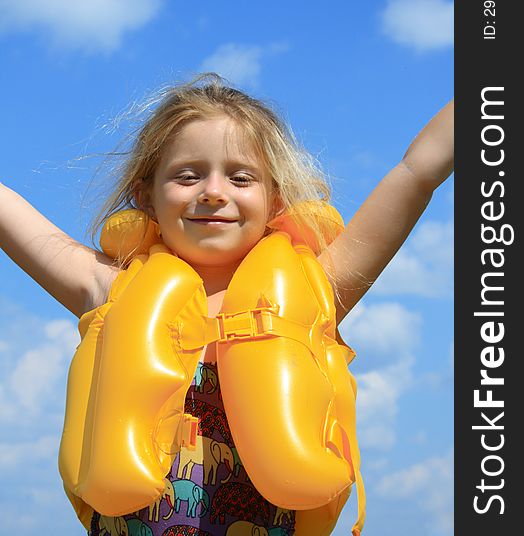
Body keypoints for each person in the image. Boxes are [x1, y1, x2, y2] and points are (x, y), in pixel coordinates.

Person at [0, 73, 454, 536]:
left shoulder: (315, 289)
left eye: (240, 177)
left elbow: (416, 174)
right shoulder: (108, 289)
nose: (213, 191)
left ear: (274, 197)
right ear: (146, 196)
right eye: (187, 175)